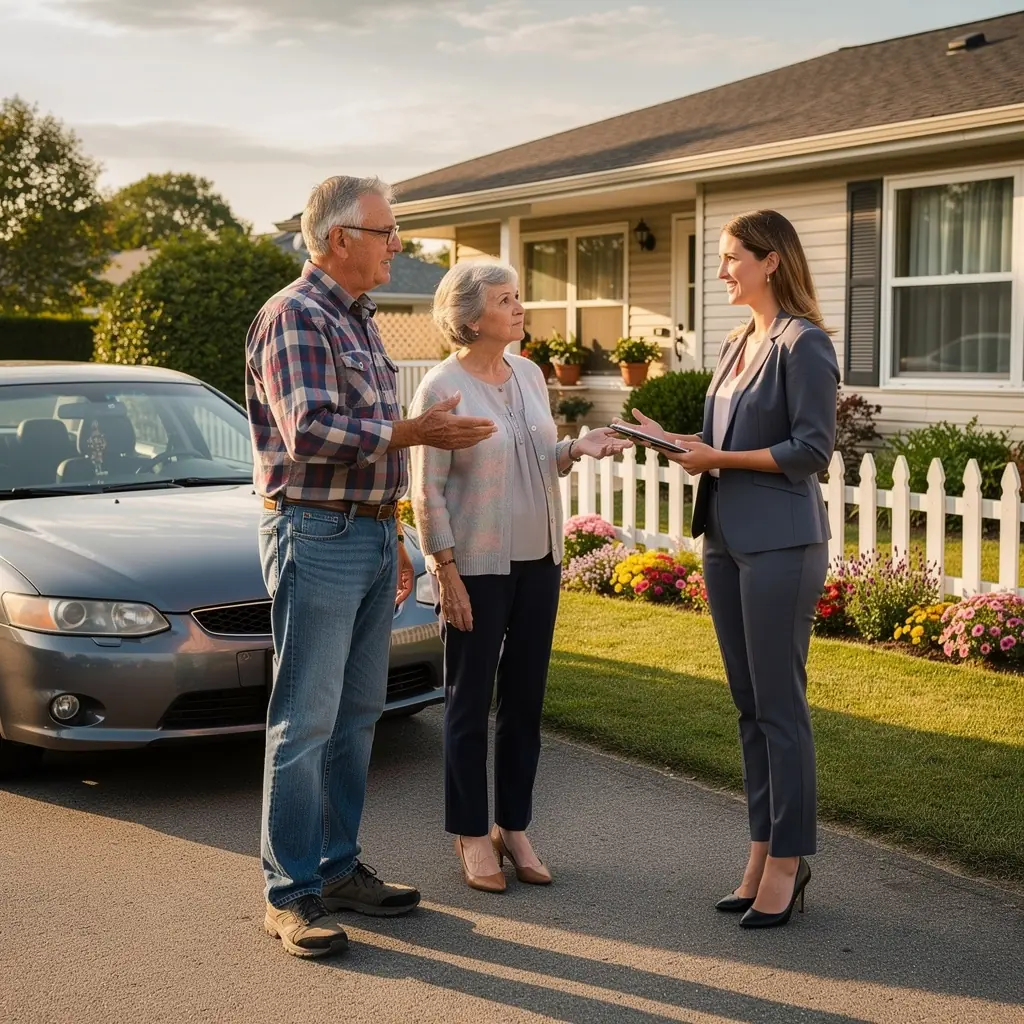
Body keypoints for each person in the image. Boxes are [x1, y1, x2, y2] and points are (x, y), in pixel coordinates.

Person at [245, 175, 496, 958]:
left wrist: (390, 530)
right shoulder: (295, 316)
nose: (399, 244)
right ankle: (289, 896)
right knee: (305, 723)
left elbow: (367, 429)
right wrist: (414, 433)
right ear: (339, 239)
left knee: (357, 719)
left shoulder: (356, 319)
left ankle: (338, 867)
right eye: (387, 232)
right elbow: (310, 431)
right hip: (314, 535)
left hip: (361, 533)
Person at [624, 210, 838, 929]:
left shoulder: (802, 345)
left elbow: (810, 450)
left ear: (771, 260)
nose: (721, 272)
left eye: (731, 258)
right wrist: (669, 440)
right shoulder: (736, 341)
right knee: (748, 706)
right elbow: (721, 441)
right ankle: (760, 848)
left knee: (781, 708)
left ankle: (789, 860)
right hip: (724, 537)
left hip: (782, 542)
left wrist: (715, 458)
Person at [409, 260, 630, 893]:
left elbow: (533, 455)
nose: (519, 308)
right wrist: (444, 569)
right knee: (468, 702)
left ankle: (514, 824)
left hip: (540, 563)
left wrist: (573, 450)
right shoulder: (441, 389)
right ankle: (471, 833)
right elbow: (427, 490)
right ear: (473, 318)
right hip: (475, 567)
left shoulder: (529, 374)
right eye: (507, 301)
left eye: (518, 298)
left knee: (525, 703)